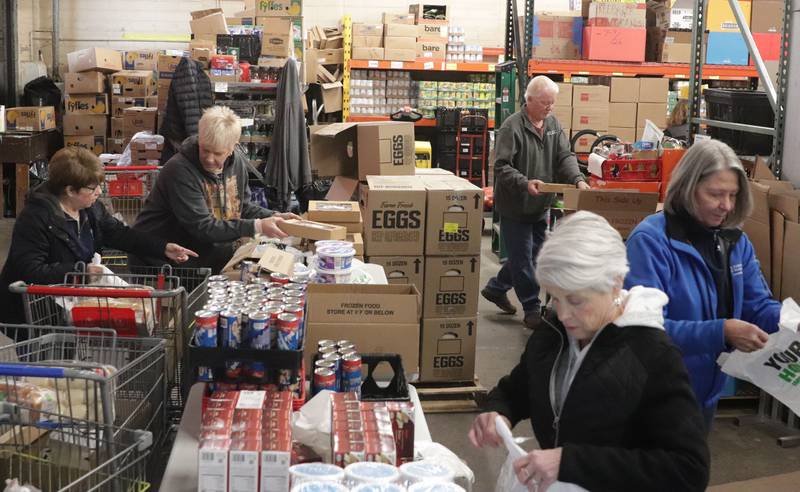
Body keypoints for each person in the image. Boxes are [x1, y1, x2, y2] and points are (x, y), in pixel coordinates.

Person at [470, 212, 709, 492]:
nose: (564, 314)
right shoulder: (554, 332)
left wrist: (570, 463)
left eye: (575, 300)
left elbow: (688, 469)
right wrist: (499, 412)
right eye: (555, 298)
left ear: (615, 283)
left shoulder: (652, 355)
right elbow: (519, 388)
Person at [625, 139, 779, 431]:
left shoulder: (734, 242)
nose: (726, 206)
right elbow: (641, 330)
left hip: (706, 393)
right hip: (654, 397)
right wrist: (720, 332)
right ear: (686, 188)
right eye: (715, 194)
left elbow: (757, 306)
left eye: (733, 195)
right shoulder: (651, 242)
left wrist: (788, 321)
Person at [0, 147, 196, 324]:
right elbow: (31, 270)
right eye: (92, 188)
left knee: (69, 357)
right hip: (32, 313)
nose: (99, 192)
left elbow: (121, 234)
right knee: (45, 361)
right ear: (70, 190)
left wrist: (163, 248)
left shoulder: (91, 209)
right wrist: (81, 272)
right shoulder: (36, 218)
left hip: (67, 305)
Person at [131, 105, 299, 273]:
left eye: (218, 153)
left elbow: (241, 207)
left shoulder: (237, 164)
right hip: (159, 263)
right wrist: (258, 226)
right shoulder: (180, 170)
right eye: (205, 149)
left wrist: (273, 217)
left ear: (233, 147)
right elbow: (203, 227)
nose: (209, 159)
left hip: (196, 261)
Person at [481, 75, 590, 329]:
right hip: (515, 207)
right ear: (529, 100)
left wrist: (577, 179)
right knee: (521, 260)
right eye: (544, 103)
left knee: (539, 256)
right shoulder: (512, 127)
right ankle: (531, 308)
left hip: (541, 205)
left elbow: (565, 155)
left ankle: (496, 288)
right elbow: (501, 166)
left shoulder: (553, 124)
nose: (549, 107)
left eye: (552, 103)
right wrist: (524, 183)